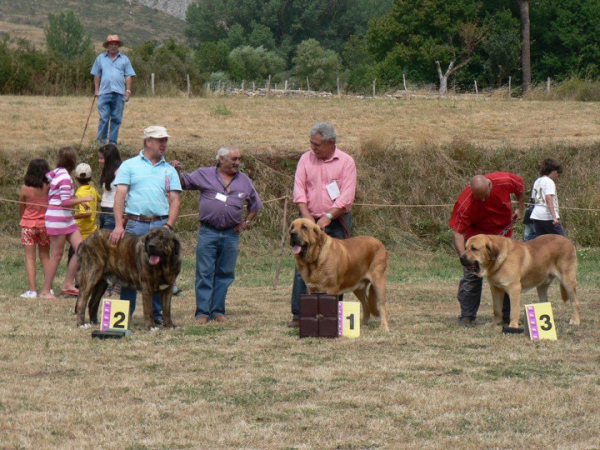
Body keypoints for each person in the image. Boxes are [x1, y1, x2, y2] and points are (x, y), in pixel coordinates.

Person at [172, 146, 263, 325]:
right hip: (208, 232)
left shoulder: (244, 180)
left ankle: (218, 311)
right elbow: (182, 182)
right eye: (234, 159)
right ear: (221, 159)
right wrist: (176, 170)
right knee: (205, 272)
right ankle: (202, 313)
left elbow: (255, 204)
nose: (238, 163)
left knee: (225, 273)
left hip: (231, 235)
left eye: (239, 159)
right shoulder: (204, 174)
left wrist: (247, 223)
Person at [288, 122, 357, 328]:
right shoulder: (305, 159)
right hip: (307, 220)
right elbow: (299, 189)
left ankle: (331, 317)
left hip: (335, 221)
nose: (313, 148)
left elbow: (346, 196)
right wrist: (307, 219)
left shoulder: (346, 162)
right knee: (303, 265)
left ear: (330, 143)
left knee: (337, 267)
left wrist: (328, 216)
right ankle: (300, 316)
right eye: (311, 144)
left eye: (317, 145)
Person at [109, 125, 181, 325]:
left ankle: (156, 317)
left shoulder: (169, 170)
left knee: (160, 273)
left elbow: (175, 200)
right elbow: (120, 196)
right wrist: (118, 225)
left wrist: (169, 226)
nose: (164, 144)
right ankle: (124, 317)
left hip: (161, 226)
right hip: (135, 225)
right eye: (160, 140)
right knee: (129, 272)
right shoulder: (129, 165)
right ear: (148, 142)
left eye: (165, 140)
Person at [449, 172, 525, 327]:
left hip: (503, 237)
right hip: (477, 240)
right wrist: (465, 257)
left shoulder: (504, 181)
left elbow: (521, 187)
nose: (483, 200)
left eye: (485, 195)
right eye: (479, 197)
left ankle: (506, 316)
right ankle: (467, 317)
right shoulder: (465, 202)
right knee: (471, 276)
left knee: (507, 276)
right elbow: (458, 233)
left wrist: (520, 208)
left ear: (490, 185)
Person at [40, 147, 94, 299]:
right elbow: (65, 202)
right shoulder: (64, 177)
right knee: (56, 255)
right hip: (58, 218)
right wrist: (84, 199)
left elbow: (62, 194)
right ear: (73, 161)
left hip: (66, 218)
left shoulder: (56, 173)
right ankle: (45, 291)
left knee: (81, 248)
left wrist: (78, 202)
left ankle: (67, 284)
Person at [90, 34, 135, 145]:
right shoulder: (100, 58)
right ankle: (100, 143)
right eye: (111, 44)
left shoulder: (124, 59)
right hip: (104, 92)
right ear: (108, 45)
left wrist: (128, 91)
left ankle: (112, 144)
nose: (113, 46)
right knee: (104, 118)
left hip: (119, 93)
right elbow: (96, 74)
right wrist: (97, 90)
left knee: (116, 119)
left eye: (115, 44)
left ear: (118, 45)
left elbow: (128, 75)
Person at [19, 158, 51, 298]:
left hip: (28, 225)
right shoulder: (48, 187)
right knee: (45, 256)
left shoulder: (25, 188)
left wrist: (23, 219)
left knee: (30, 258)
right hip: (45, 225)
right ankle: (48, 289)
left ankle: (32, 290)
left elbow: (22, 207)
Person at [67, 163, 102, 262]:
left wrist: (72, 217)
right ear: (90, 177)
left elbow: (86, 213)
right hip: (93, 231)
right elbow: (100, 199)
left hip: (81, 233)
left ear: (76, 178)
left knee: (75, 260)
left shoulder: (79, 193)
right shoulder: (93, 190)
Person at [530, 158, 565, 237]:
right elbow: (548, 198)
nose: (557, 175)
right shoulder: (549, 182)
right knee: (563, 241)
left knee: (542, 242)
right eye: (557, 172)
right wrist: (554, 217)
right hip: (547, 217)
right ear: (552, 171)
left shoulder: (537, 181)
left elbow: (533, 199)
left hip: (537, 216)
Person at [98, 143, 122, 231]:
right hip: (104, 211)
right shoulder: (107, 171)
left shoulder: (119, 172)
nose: (99, 161)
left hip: (112, 212)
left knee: (108, 242)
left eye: (101, 158)